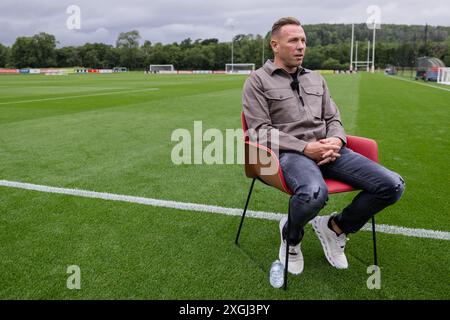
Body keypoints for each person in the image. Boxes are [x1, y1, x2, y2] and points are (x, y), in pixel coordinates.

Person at [242, 17, 405, 275]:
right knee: (314, 194)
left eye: (303, 40)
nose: (301, 46)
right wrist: (306, 148)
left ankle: (334, 228)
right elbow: (259, 131)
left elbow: (333, 118)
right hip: (289, 155)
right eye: (293, 40)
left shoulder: (316, 79)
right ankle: (291, 237)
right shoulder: (258, 81)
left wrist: (337, 140)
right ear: (275, 45)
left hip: (331, 150)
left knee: (392, 185)